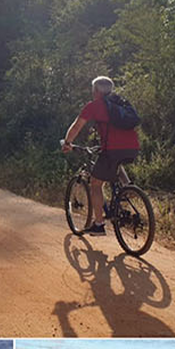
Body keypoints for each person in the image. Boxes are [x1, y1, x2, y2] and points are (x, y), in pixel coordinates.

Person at [61, 76, 140, 236]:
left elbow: (77, 126)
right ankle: (127, 189)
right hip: (132, 147)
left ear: (96, 91)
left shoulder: (94, 105)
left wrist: (68, 142)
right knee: (115, 163)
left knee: (96, 184)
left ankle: (98, 225)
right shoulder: (121, 102)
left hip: (112, 149)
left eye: (93, 90)